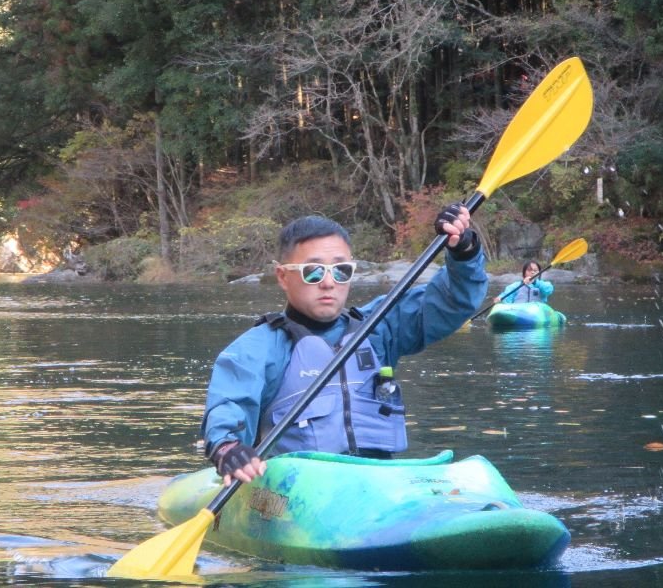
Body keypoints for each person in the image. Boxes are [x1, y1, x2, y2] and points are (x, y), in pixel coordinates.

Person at [201, 204, 488, 487]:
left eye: (340, 270)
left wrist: (464, 251)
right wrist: (227, 448)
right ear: (283, 277)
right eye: (313, 271)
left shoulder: (378, 328)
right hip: (298, 489)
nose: (328, 283)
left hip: (377, 482)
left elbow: (453, 301)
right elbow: (229, 406)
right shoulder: (257, 348)